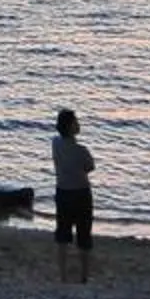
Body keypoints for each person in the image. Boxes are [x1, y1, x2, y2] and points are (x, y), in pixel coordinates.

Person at [50, 107, 95, 280]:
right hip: (81, 193)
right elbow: (90, 167)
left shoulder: (55, 143)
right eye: (75, 122)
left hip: (62, 192)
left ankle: (63, 275)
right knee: (84, 235)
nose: (78, 124)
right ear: (70, 127)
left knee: (63, 234)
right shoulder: (81, 150)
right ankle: (84, 276)